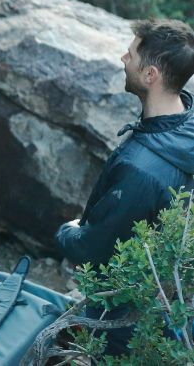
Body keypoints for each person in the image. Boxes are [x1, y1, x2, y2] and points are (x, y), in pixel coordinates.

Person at [56, 18, 194, 355]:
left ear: (151, 76)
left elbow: (94, 248)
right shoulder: (188, 120)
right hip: (172, 302)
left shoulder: (140, 169)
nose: (123, 59)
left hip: (129, 318)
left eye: (130, 55)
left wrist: (66, 231)